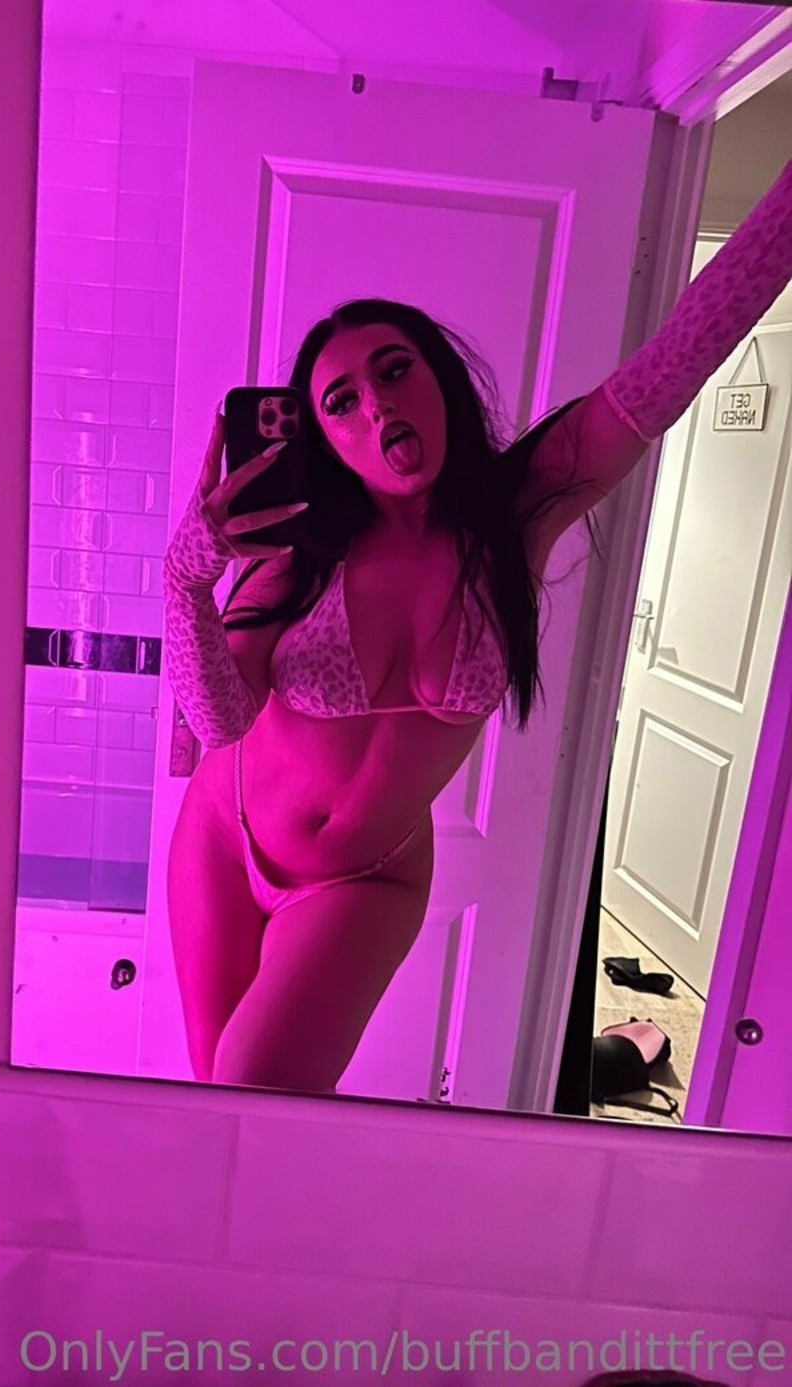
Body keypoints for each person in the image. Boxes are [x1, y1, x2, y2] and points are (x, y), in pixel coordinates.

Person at [162, 161, 792, 1094]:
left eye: (393, 370)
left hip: (363, 877)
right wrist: (185, 578)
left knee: (249, 1084)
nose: (376, 404)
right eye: (341, 401)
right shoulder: (301, 555)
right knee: (210, 1112)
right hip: (224, 838)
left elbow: (673, 364)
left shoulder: (519, 512)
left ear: (439, 380)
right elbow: (219, 723)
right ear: (327, 440)